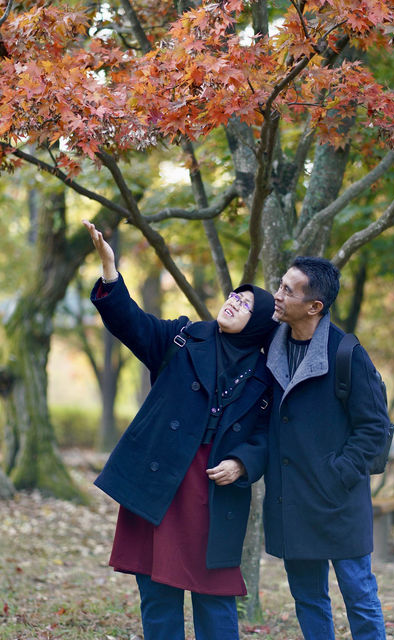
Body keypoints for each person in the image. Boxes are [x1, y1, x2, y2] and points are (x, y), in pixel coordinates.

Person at [82, 220, 277, 640]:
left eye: (244, 304)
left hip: (213, 487)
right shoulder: (183, 338)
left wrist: (242, 464)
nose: (232, 303)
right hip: (160, 478)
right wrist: (110, 270)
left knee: (215, 597)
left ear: (259, 321)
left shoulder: (267, 375)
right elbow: (131, 323)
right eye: (232, 296)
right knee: (157, 592)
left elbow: (267, 437)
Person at [263, 256, 389, 640]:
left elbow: (375, 429)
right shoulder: (270, 347)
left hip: (339, 501)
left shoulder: (347, 353)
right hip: (292, 500)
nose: (278, 295)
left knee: (359, 596)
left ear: (315, 306)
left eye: (288, 289)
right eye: (280, 285)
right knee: (308, 599)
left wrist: (338, 473)